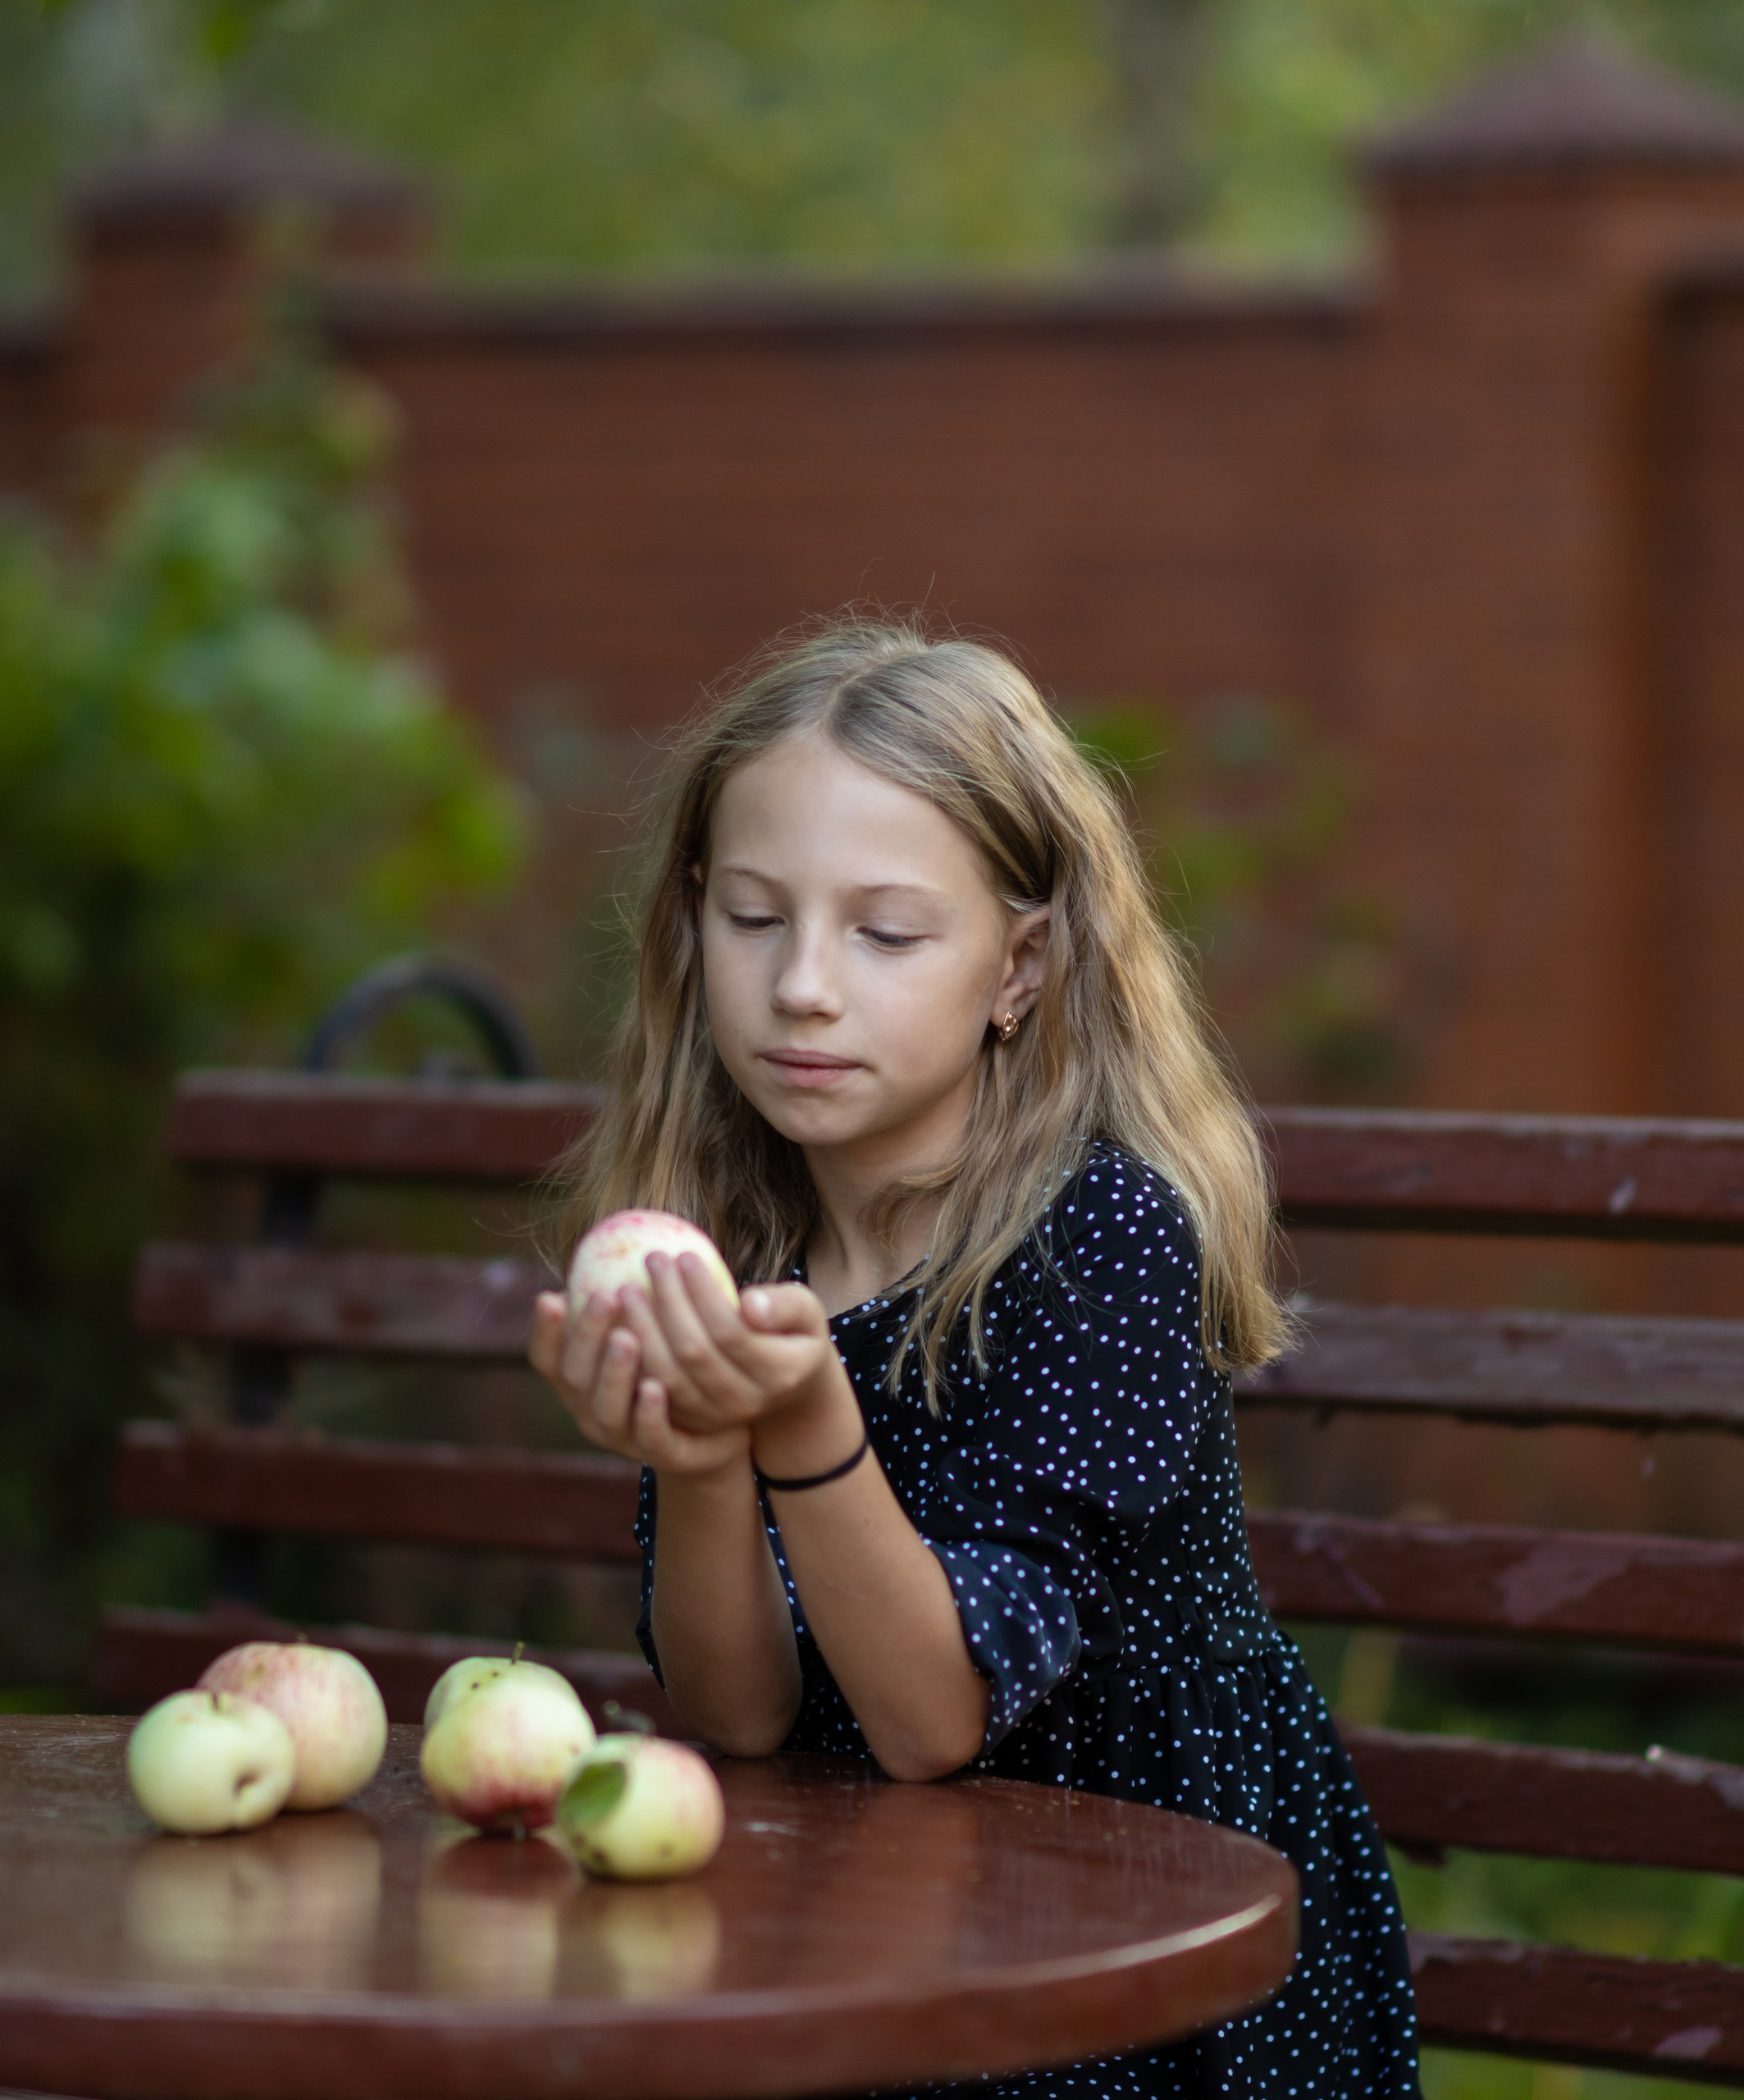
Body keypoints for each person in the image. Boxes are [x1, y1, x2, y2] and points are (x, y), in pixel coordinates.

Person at [528, 619, 1422, 2097]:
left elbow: (933, 1719)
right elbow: (739, 1714)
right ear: (690, 924)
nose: (803, 985)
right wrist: (698, 1462)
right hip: (884, 1911)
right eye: (754, 918)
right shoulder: (739, 1247)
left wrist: (804, 1427)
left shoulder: (1100, 1241)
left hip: (1140, 1942)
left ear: (1019, 964)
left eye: (884, 934)